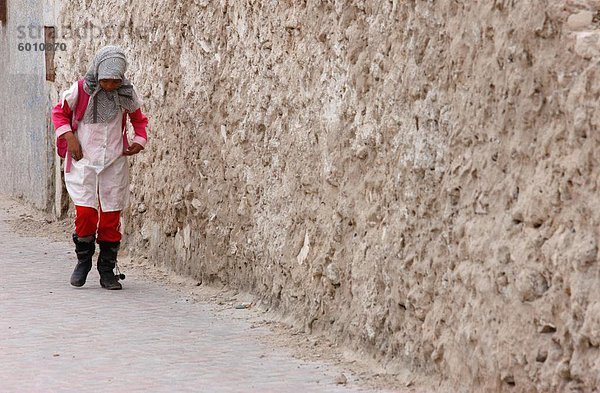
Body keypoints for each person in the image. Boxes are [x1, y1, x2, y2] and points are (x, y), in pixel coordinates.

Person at [52, 45, 148, 290]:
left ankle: (107, 269)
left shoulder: (126, 92)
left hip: (113, 163)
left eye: (114, 81)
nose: (109, 86)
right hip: (84, 162)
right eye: (105, 81)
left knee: (110, 217)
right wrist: (69, 137)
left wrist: (139, 141)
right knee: (86, 214)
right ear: (97, 73)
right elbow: (59, 113)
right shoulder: (81, 89)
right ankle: (83, 261)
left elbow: (138, 119)